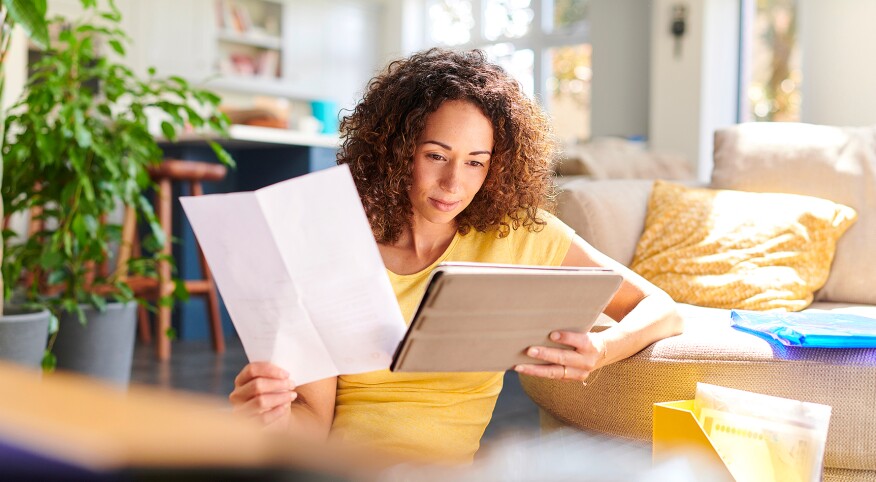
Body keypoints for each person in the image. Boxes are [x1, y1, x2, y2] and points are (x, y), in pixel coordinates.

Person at [229, 48, 682, 463]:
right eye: (436, 155)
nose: (453, 184)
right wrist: (273, 417)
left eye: (475, 162)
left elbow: (660, 308)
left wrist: (601, 349)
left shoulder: (519, 233)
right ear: (396, 149)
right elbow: (313, 425)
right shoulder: (334, 243)